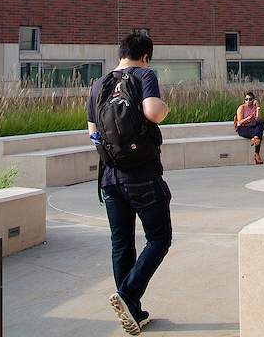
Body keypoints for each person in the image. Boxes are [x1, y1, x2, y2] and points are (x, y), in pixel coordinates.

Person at [88, 32, 171, 335]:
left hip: (109, 178)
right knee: (160, 238)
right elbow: (152, 112)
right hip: (143, 175)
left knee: (121, 244)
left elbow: (93, 132)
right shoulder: (144, 74)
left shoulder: (99, 84)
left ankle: (133, 313)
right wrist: (164, 110)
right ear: (145, 56)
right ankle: (128, 295)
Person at [234, 91, 264, 164]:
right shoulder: (242, 108)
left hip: (252, 126)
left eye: (250, 99)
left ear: (253, 100)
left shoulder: (254, 108)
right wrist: (249, 118)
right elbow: (240, 122)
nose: (248, 101)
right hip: (243, 128)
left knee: (261, 124)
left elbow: (258, 119)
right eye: (246, 99)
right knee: (259, 134)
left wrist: (258, 107)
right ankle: (257, 154)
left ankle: (255, 138)